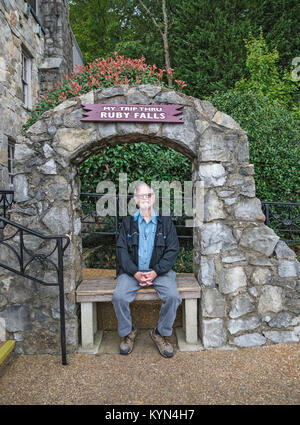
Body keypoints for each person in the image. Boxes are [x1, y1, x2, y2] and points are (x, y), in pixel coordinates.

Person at [112, 182, 181, 358]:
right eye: (141, 196)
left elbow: (172, 250)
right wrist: (135, 271)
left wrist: (156, 271)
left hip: (159, 272)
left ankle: (161, 333)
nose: (145, 199)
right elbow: (121, 251)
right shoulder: (128, 222)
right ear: (135, 200)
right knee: (119, 296)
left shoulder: (165, 222)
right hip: (132, 272)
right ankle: (128, 332)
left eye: (148, 195)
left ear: (154, 198)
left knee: (173, 296)